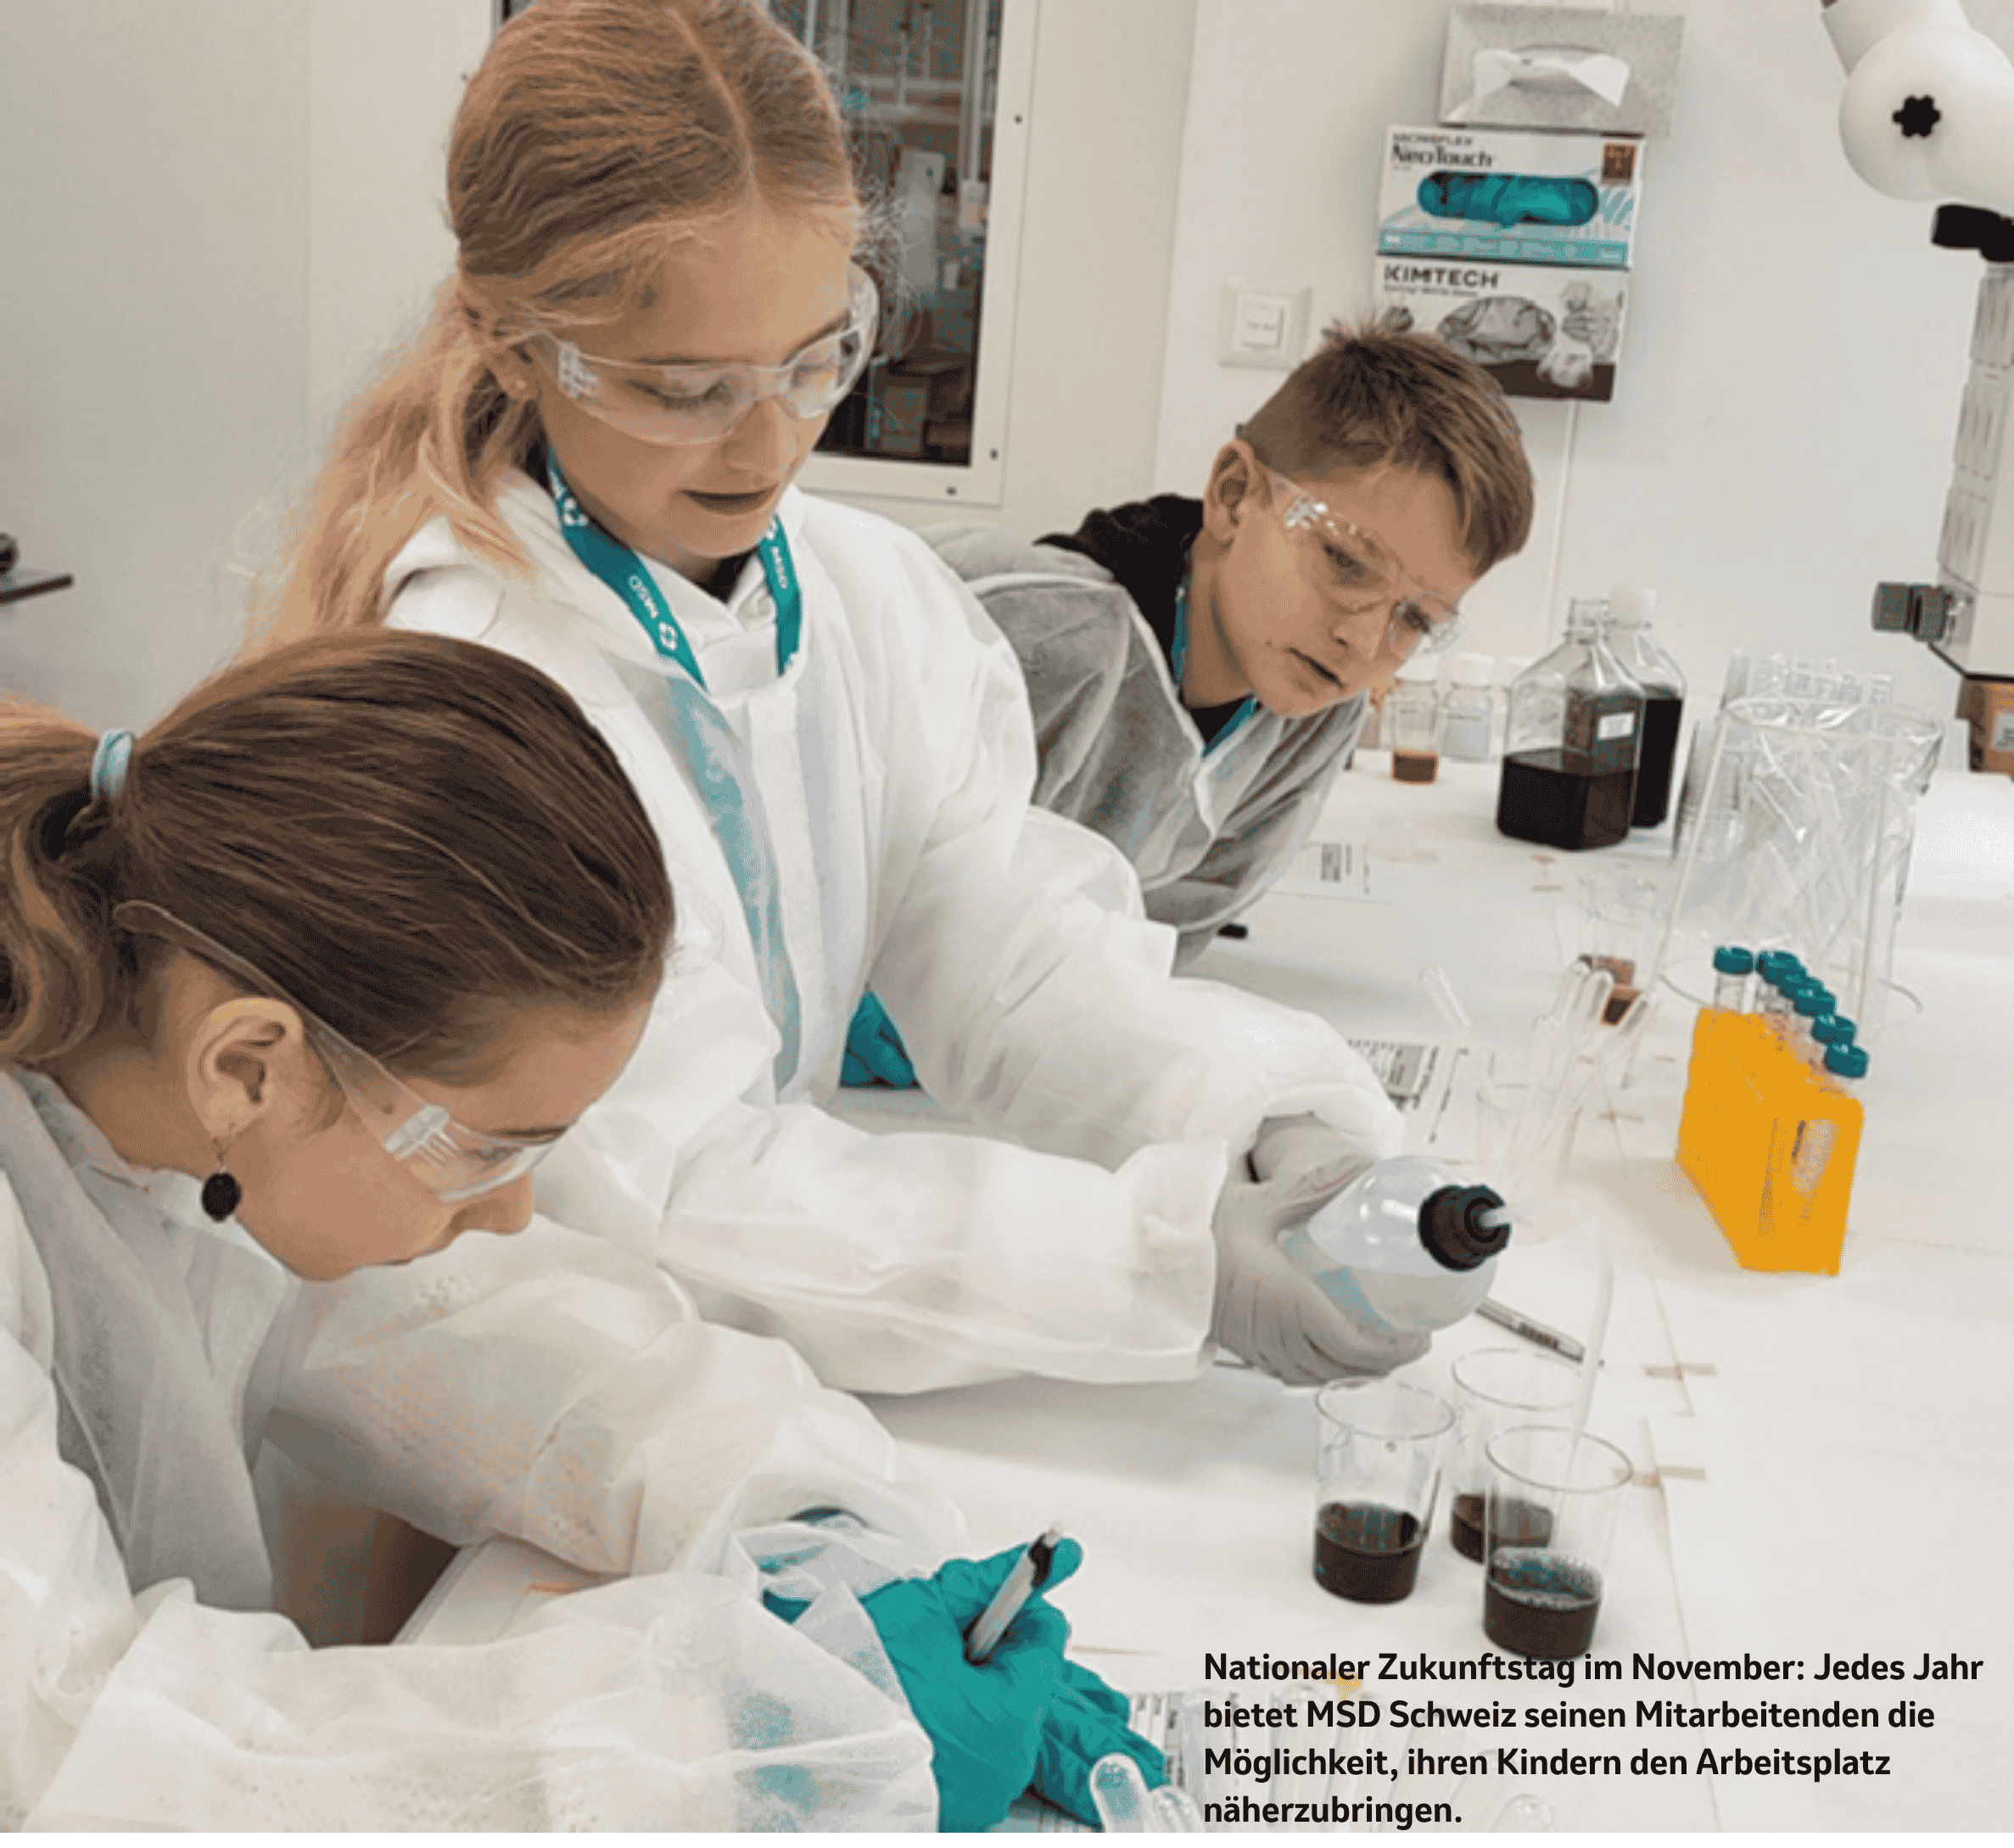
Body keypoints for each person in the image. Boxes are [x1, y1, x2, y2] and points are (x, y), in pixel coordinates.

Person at [260, 0, 1419, 1397]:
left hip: (748, 1368)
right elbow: (674, 1179)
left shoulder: (861, 592)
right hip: (517, 1382)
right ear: (518, 349)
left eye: (816, 359)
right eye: (683, 387)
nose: (768, 444)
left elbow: (1018, 966)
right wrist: (1157, 1261)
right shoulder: (473, 691)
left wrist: (1266, 1112)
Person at [0, 630, 1154, 1829]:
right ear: (250, 1064)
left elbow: (532, 1358)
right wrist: (747, 1735)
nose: (511, 1210)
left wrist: (829, 1543)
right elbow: (78, 1746)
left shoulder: (208, 1110)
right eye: (485, 1148)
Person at [927, 317, 1536, 971]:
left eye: (1415, 619)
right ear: (1234, 494)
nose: (1360, 641)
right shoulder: (1029, 634)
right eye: (1345, 561)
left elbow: (1173, 928)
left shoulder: (1316, 717)